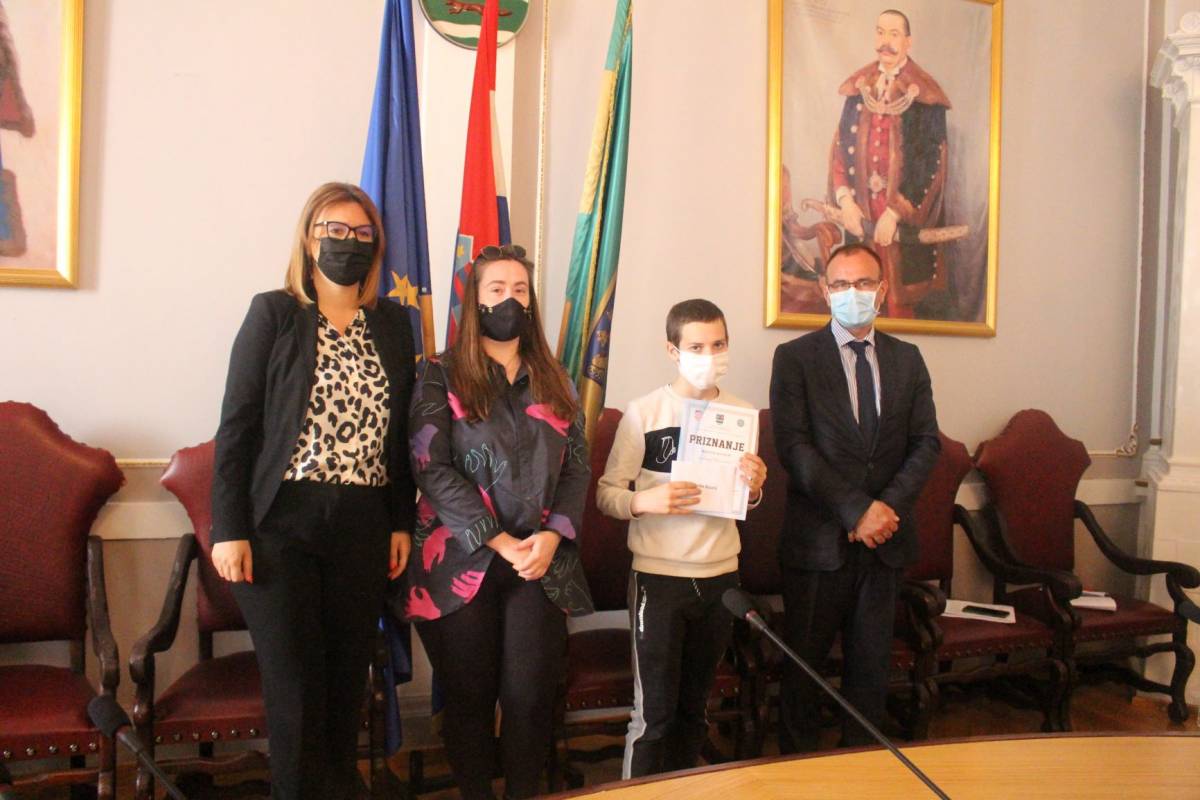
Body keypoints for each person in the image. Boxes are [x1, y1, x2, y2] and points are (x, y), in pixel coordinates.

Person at [210, 182, 417, 800]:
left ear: (376, 246)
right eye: (334, 231)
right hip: (281, 525)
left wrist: (400, 521)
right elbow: (237, 427)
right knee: (296, 689)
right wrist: (228, 528)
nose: (347, 243)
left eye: (361, 234)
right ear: (308, 239)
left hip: (363, 524)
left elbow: (401, 433)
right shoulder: (274, 314)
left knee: (345, 685)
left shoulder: (394, 324)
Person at [400, 244, 593, 800]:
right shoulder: (439, 374)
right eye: (497, 289)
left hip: (539, 563)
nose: (510, 299)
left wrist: (552, 536)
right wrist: (499, 540)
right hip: (462, 562)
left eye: (519, 290)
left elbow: (577, 466)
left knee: (530, 696)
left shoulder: (556, 378)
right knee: (469, 697)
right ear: (475, 301)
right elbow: (430, 466)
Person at [769, 243, 939, 752]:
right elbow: (794, 448)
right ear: (825, 291)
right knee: (803, 673)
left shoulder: (908, 359)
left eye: (863, 283)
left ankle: (863, 768)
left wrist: (884, 511)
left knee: (870, 672)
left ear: (882, 290)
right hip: (818, 545)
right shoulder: (795, 358)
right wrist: (856, 510)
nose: (852, 293)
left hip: (885, 543)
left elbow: (926, 443)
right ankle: (797, 772)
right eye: (841, 284)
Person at [596, 299, 767, 779]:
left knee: (696, 711)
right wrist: (645, 501)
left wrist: (755, 487)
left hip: (720, 577)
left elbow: (743, 500)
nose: (708, 355)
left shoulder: (742, 414)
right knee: (654, 717)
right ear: (673, 351)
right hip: (659, 578)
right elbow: (607, 494)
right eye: (696, 347)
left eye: (718, 344)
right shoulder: (644, 412)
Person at [829, 8, 951, 318]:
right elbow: (840, 150)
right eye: (880, 32)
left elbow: (930, 165)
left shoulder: (925, 95)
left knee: (899, 311)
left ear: (908, 41)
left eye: (894, 34)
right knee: (856, 311)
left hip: (901, 223)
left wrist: (895, 213)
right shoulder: (859, 87)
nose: (886, 41)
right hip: (861, 218)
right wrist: (846, 203)